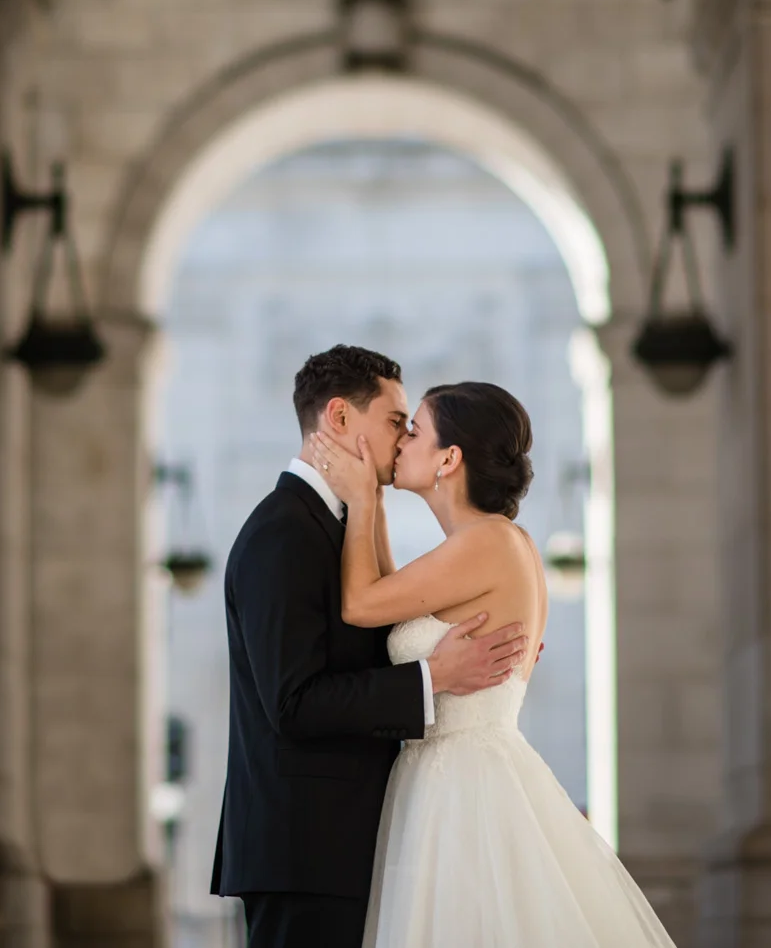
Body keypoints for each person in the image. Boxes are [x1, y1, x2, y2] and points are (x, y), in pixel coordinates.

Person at [306, 379, 678, 947]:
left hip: (462, 787)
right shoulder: (493, 543)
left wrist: (359, 501)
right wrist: (375, 502)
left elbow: (360, 604)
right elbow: (387, 594)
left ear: (449, 459)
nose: (401, 442)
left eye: (416, 431)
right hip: (452, 773)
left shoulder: (488, 544)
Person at [211, 346, 531, 948]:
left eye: (412, 428)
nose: (403, 439)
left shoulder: (332, 526)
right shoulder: (284, 532)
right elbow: (295, 703)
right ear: (338, 418)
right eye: (394, 422)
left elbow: (371, 627)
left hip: (348, 846)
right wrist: (431, 676)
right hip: (305, 852)